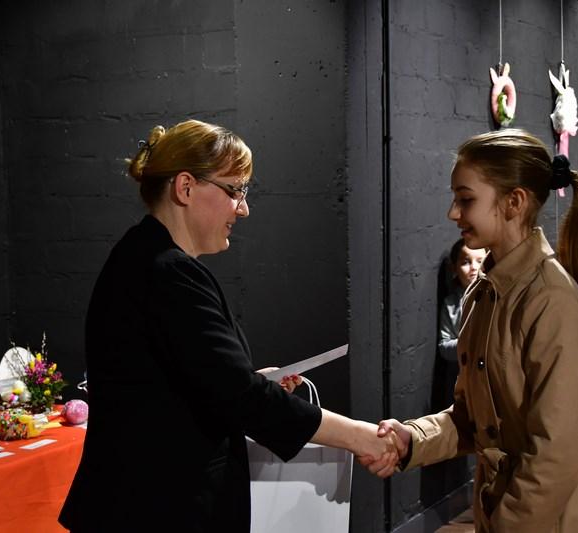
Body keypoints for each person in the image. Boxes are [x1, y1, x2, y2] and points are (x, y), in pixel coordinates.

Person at [59, 119, 397, 532]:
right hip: (159, 509)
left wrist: (247, 381)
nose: (243, 208)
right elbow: (242, 398)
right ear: (186, 188)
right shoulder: (168, 272)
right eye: (235, 190)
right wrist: (360, 436)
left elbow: (185, 382)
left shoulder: (143, 256)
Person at [365, 129, 578, 532]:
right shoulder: (484, 293)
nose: (453, 213)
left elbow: (555, 456)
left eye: (466, 200)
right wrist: (413, 439)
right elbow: (473, 419)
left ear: (514, 202)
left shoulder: (552, 301)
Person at [438, 238, 487, 363]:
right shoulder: (450, 305)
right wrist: (468, 344)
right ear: (454, 268)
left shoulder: (498, 296)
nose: (474, 267)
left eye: (480, 261)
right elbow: (444, 345)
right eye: (466, 262)